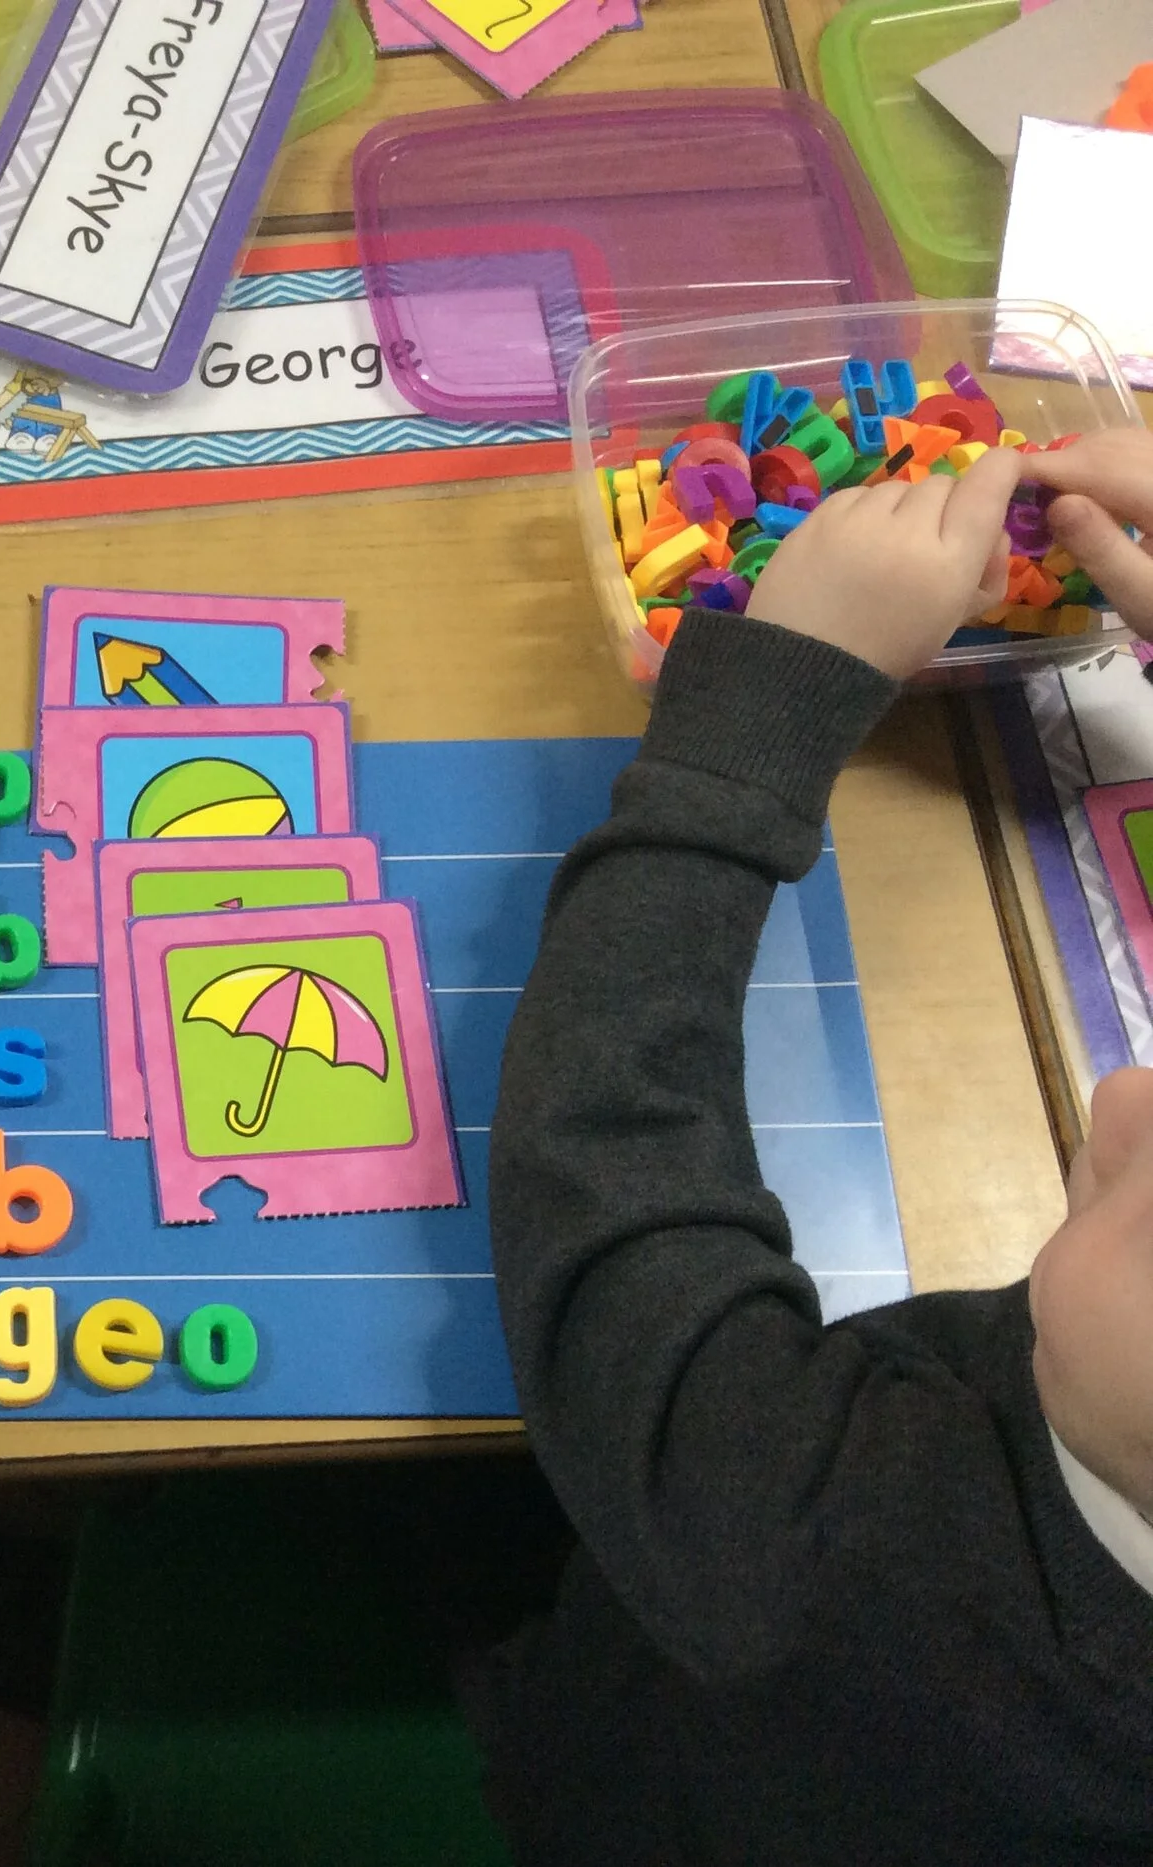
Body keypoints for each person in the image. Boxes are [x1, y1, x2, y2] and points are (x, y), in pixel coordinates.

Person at [481, 432, 1153, 1863]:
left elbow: (607, 1166)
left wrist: (756, 722)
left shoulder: (829, 1560)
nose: (1124, 1099)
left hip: (630, 1734)